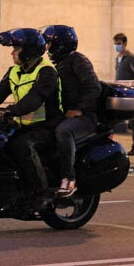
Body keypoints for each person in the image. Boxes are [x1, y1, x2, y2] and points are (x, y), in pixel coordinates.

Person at [0, 28, 62, 209]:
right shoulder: (15, 71)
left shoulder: (46, 72)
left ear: (29, 51)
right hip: (22, 123)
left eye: (16, 49)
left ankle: (41, 193)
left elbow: (34, 99)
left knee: (22, 145)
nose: (12, 53)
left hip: (45, 126)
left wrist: (11, 110)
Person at [43, 25, 100, 197]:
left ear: (60, 44)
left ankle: (69, 179)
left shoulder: (78, 60)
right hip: (65, 113)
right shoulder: (58, 63)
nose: (47, 48)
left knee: (64, 131)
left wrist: (78, 108)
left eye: (49, 43)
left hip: (85, 116)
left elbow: (93, 87)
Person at [113, 33, 134, 155]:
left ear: (125, 44)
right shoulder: (118, 58)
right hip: (120, 92)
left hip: (130, 94)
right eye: (115, 44)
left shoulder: (131, 57)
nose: (117, 46)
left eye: (119, 44)